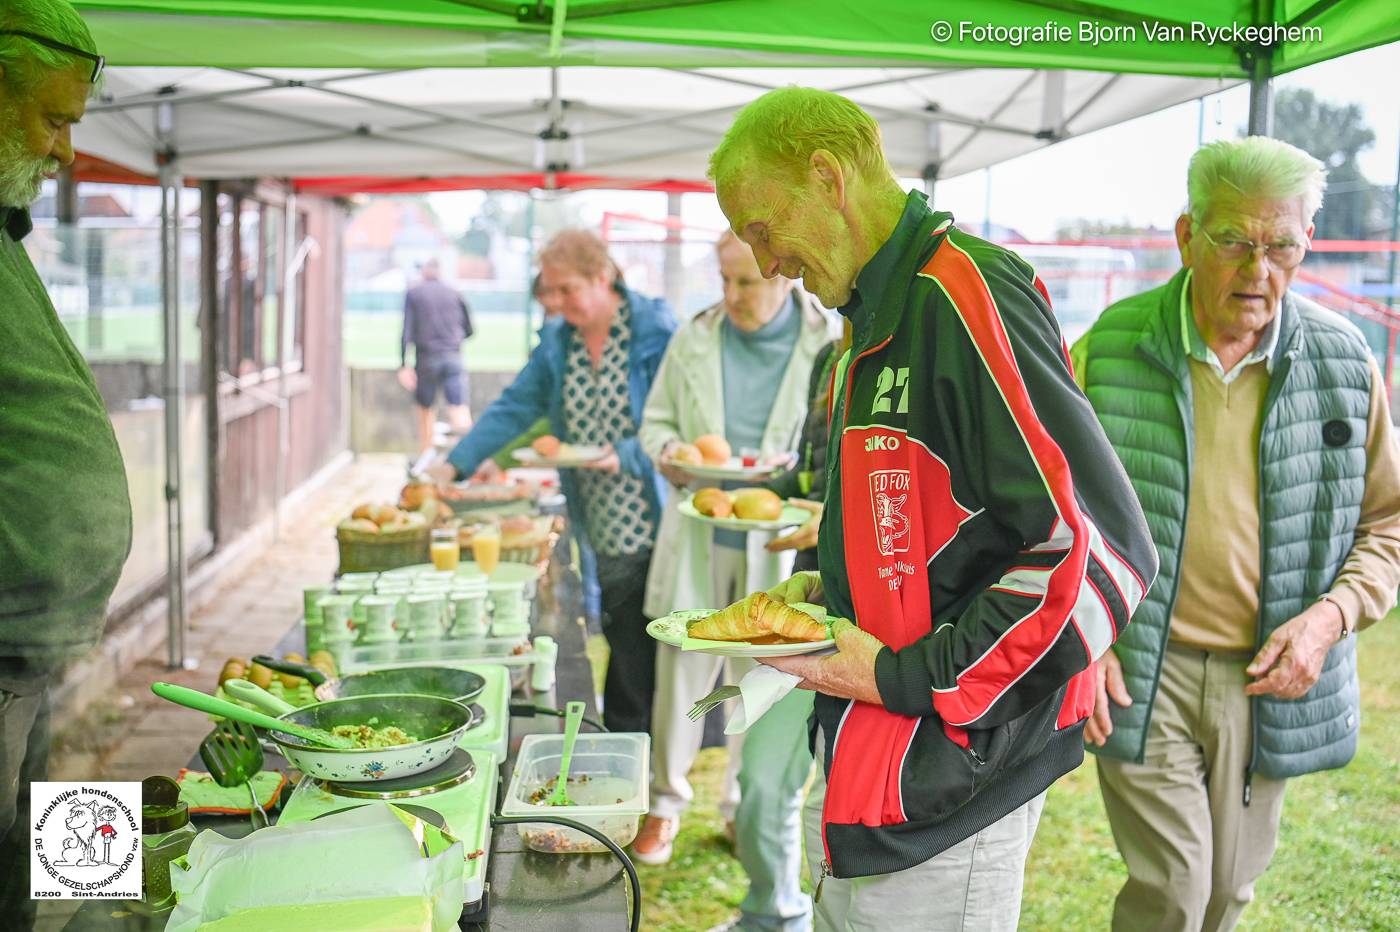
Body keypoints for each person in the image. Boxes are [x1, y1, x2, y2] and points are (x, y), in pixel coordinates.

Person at [709, 86, 1159, 930]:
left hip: (949, 781)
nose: (767, 265)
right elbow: (927, 524)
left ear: (826, 176)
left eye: (763, 230)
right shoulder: (865, 328)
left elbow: (1098, 556)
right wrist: (823, 591)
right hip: (869, 769)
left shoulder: (963, 292)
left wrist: (892, 674)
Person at [1071, 136, 1400, 932]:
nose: (1259, 272)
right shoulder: (1110, 349)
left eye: (1281, 246)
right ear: (1187, 236)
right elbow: (1052, 514)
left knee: (1227, 895)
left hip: (1271, 673)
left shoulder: (1345, 361)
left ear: (1305, 244)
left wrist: (1328, 620)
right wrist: (1087, 630)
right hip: (1147, 666)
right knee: (1175, 890)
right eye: (1234, 242)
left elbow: (1388, 523)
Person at [634, 232, 837, 931]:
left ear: (782, 276)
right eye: (723, 280)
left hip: (777, 543)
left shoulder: (826, 344)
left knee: (759, 683)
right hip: (701, 525)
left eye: (745, 282)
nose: (732, 296)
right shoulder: (694, 338)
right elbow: (656, 420)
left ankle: (738, 811)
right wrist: (670, 452)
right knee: (683, 678)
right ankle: (665, 805)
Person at [432, 230, 676, 733]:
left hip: (653, 509)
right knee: (624, 632)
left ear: (603, 276)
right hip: (598, 517)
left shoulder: (655, 330)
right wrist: (453, 465)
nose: (558, 304)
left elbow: (679, 421)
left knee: (642, 643)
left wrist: (623, 455)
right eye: (551, 292)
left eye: (568, 290)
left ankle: (644, 750)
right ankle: (637, 746)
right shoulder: (559, 344)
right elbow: (514, 405)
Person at [0, 4, 133, 927]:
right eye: (53, 118)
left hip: (34, 645)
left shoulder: (7, 238)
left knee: (36, 850)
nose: (68, 153)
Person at [398, 258, 475, 456]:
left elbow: (407, 329)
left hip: (426, 358)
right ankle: (470, 455)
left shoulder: (414, 293)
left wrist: (403, 364)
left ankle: (426, 456)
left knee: (425, 409)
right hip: (453, 356)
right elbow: (469, 329)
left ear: (424, 271)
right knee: (459, 408)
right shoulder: (454, 292)